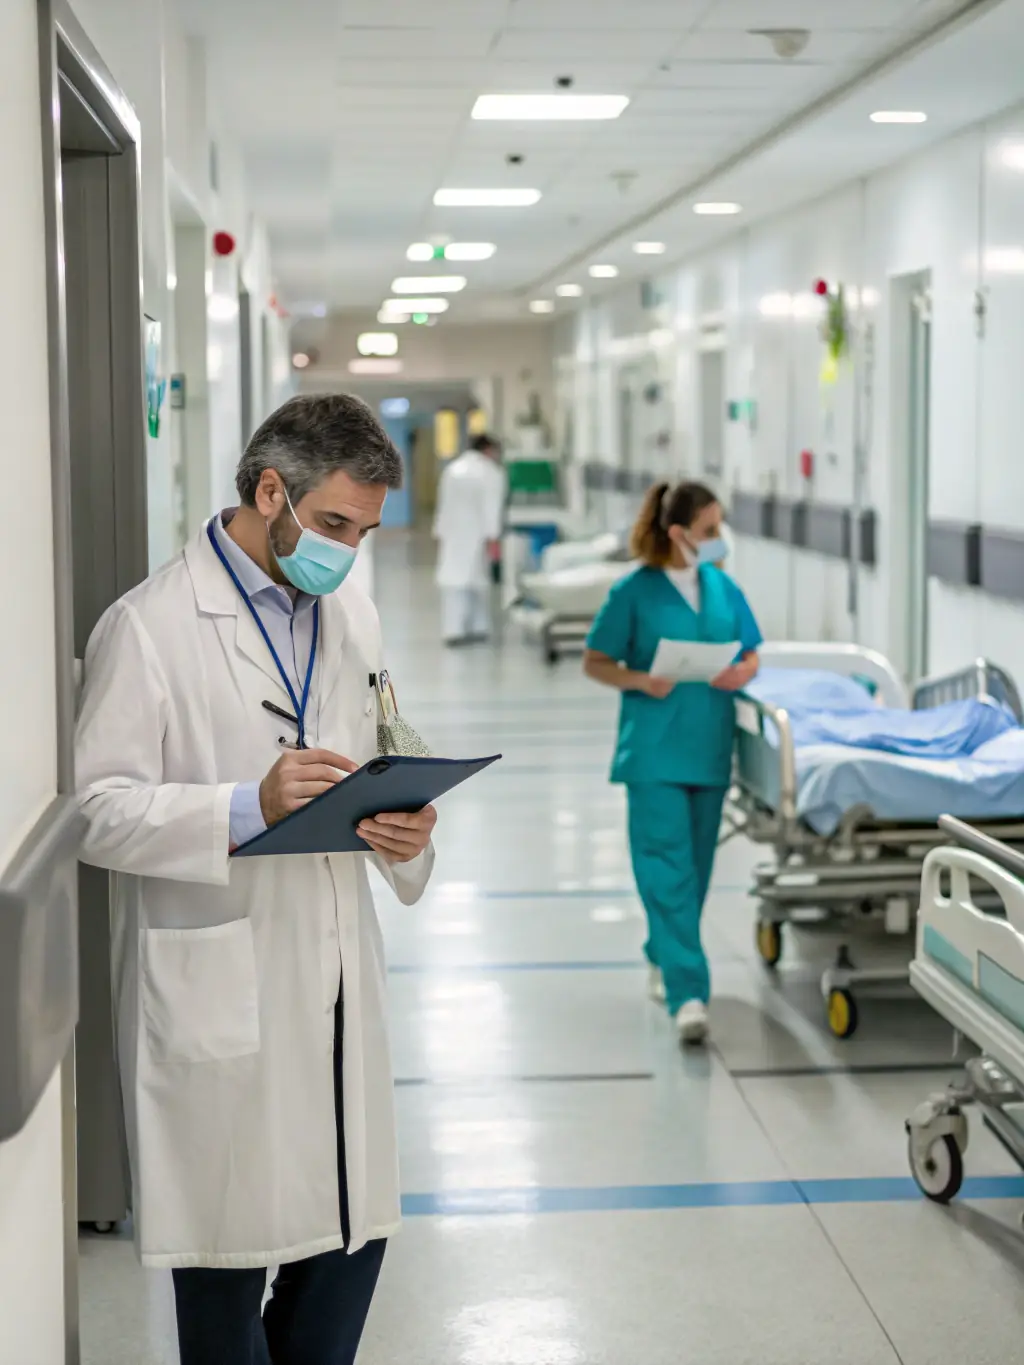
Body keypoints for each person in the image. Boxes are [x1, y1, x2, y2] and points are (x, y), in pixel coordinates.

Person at [75, 393, 437, 1365]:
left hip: (332, 984)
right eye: (330, 525)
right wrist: (246, 806)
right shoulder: (149, 627)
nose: (346, 553)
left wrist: (405, 834)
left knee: (349, 1251)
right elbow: (96, 809)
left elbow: (380, 751)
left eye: (362, 532)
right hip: (221, 997)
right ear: (268, 490)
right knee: (227, 1284)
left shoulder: (350, 613)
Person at [583, 481, 762, 1046]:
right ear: (680, 533)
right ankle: (689, 994)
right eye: (710, 530)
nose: (718, 539)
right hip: (654, 753)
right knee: (667, 870)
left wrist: (745, 671)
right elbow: (596, 661)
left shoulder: (723, 587)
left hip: (709, 749)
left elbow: (752, 649)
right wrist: (639, 679)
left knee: (697, 874)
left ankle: (664, 950)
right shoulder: (634, 592)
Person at [433, 432, 506, 645]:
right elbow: (492, 508)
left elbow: (443, 505)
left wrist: (438, 532)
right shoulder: (491, 472)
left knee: (454, 581)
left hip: (453, 534)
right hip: (478, 534)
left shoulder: (453, 470)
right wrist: (494, 537)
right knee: (478, 582)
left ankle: (453, 630)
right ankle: (478, 627)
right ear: (488, 449)